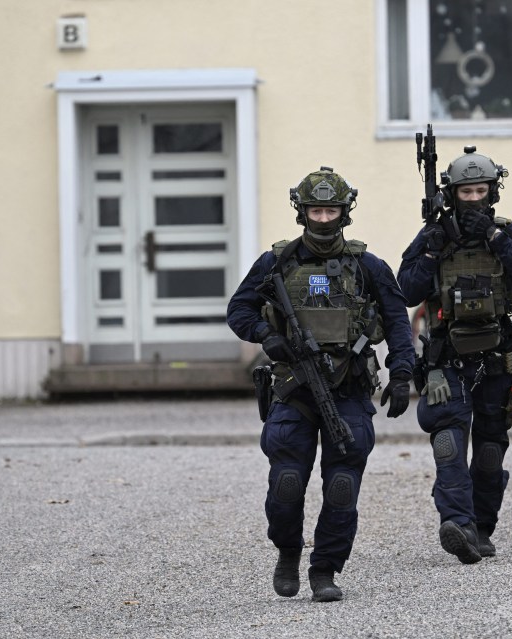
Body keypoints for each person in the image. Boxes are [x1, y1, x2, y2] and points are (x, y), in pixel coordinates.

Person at [226, 167, 415, 602]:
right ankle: (289, 552)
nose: (324, 218)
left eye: (331, 209)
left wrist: (403, 373)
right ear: (302, 211)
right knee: (287, 481)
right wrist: (267, 336)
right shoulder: (276, 262)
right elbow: (239, 310)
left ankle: (325, 569)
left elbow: (397, 322)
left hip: (348, 389)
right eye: (316, 209)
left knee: (343, 486)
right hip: (294, 390)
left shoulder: (368, 266)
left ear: (344, 211)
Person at [397, 146, 512, 563]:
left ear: (493, 191)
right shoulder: (434, 237)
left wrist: (496, 240)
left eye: (481, 190)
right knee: (447, 444)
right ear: (452, 193)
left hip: (498, 357)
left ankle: (482, 527)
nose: (474, 199)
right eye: (466, 192)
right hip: (448, 360)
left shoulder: (508, 231)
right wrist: (430, 252)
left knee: (488, 453)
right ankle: (456, 524)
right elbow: (404, 290)